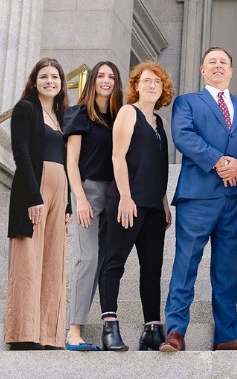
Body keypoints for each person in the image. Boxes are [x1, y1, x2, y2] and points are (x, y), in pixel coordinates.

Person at [160, 46, 237, 352]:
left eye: (223, 62)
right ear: (202, 70)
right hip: (197, 196)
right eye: (212, 62)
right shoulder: (187, 102)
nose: (218, 66)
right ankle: (176, 331)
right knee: (185, 264)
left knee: (227, 270)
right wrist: (220, 162)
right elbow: (184, 136)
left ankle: (227, 336)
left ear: (232, 71)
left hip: (235, 198)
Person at [98, 62, 173, 352]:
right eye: (146, 81)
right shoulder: (128, 113)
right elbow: (118, 158)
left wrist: (164, 201)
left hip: (154, 206)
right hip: (126, 202)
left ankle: (152, 330)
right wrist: (126, 197)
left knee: (152, 268)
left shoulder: (159, 122)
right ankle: (109, 327)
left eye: (157, 82)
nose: (152, 85)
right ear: (136, 86)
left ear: (163, 88)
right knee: (114, 262)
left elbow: (158, 166)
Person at [4, 58, 71, 350]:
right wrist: (33, 196)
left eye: (54, 77)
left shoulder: (61, 115)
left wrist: (68, 204)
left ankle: (48, 334)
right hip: (34, 189)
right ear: (34, 81)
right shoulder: (26, 109)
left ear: (61, 83)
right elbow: (20, 152)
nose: (49, 81)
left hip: (60, 191)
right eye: (43, 77)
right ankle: (23, 334)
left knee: (53, 262)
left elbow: (68, 160)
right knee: (28, 262)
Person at [63, 61, 122, 351]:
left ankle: (100, 327)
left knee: (103, 261)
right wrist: (80, 199)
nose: (106, 80)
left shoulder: (118, 117)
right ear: (92, 80)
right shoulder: (79, 114)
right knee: (86, 258)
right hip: (87, 189)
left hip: (113, 193)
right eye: (101, 75)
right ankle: (74, 331)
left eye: (111, 76)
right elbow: (71, 161)